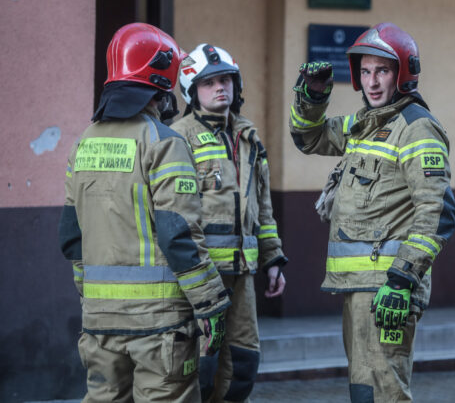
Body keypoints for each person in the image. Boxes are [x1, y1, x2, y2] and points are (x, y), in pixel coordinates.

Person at [58, 23, 231, 403]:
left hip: (99, 323)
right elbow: (179, 234)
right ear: (161, 83)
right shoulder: (164, 142)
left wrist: (93, 301)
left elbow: (71, 236)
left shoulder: (82, 143)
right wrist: (211, 303)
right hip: (160, 325)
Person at [289, 22, 455, 402]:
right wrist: (313, 97)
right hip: (359, 287)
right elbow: (309, 138)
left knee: (386, 393)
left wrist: (401, 281)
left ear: (404, 73)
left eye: (382, 71)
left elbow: (438, 212)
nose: (373, 82)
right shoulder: (365, 124)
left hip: (389, 289)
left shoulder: (417, 128)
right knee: (364, 392)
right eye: (365, 72)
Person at [172, 43, 288, 402]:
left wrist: (272, 258)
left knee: (243, 363)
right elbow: (175, 215)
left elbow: (263, 207)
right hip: (201, 276)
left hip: (243, 275)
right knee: (202, 366)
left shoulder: (248, 137)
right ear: (191, 90)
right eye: (209, 83)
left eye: (225, 80)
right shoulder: (178, 137)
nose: (220, 87)